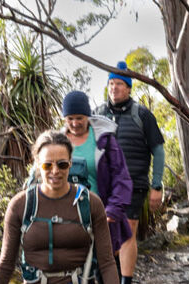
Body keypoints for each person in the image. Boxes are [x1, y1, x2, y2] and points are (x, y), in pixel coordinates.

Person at [0, 130, 119, 283]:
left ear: (70, 163)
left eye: (62, 164)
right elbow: (6, 263)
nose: (55, 171)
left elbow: (107, 262)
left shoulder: (91, 203)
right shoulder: (20, 205)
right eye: (47, 165)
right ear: (37, 164)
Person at [94, 61, 165, 284]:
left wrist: (156, 185)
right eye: (111, 83)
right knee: (103, 231)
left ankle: (125, 281)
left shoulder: (142, 115)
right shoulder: (96, 115)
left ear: (129, 88)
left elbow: (159, 151)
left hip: (134, 183)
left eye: (119, 84)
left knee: (127, 231)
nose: (114, 88)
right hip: (102, 185)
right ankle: (107, 275)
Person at [62, 90, 133, 275]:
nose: (75, 123)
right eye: (70, 118)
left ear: (88, 116)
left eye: (80, 118)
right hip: (67, 219)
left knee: (105, 267)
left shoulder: (104, 140)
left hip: (101, 215)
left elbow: (121, 177)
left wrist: (113, 209)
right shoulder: (57, 143)